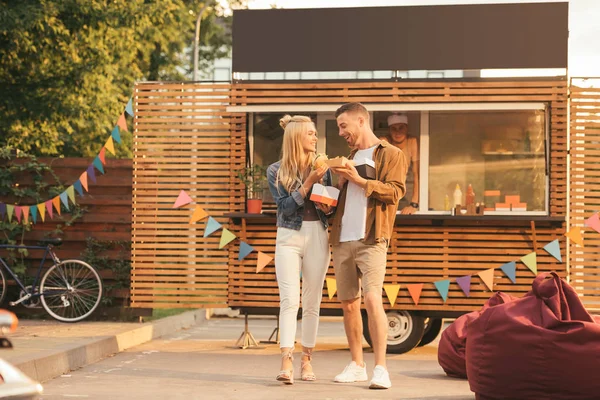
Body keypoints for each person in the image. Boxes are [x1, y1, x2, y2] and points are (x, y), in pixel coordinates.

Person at [328, 103, 406, 390]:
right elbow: (342, 198)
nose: (341, 132)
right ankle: (357, 365)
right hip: (342, 238)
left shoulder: (391, 154)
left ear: (361, 121)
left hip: (372, 238)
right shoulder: (347, 157)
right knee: (349, 304)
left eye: (343, 126)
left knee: (373, 300)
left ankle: (381, 369)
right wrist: (337, 185)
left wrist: (359, 180)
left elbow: (396, 192)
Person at [266, 115, 334, 385]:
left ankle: (307, 359)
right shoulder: (276, 171)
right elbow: (283, 207)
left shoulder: (324, 167)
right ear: (296, 137)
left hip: (317, 233)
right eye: (310, 133)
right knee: (289, 300)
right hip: (288, 236)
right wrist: (308, 184)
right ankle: (286, 359)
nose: (315, 138)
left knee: (312, 301)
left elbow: (329, 204)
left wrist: (329, 204)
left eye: (315, 134)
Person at [381, 113, 419, 214]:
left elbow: (416, 174)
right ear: (389, 130)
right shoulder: (385, 142)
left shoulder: (411, 142)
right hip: (388, 190)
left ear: (406, 129)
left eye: (401, 128)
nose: (398, 132)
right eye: (394, 128)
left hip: (407, 188)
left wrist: (414, 204)